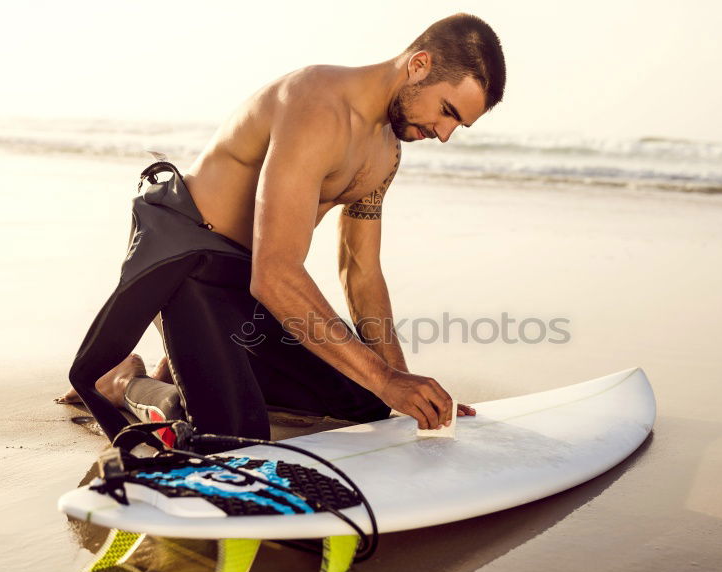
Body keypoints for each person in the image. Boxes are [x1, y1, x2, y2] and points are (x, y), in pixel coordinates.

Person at [57, 14, 505, 442]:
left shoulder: (386, 151)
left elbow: (361, 272)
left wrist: (401, 386)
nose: (445, 133)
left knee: (368, 400)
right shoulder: (316, 104)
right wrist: (386, 379)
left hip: (252, 291)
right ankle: (126, 381)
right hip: (191, 269)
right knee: (229, 437)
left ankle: (200, 363)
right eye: (447, 111)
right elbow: (275, 274)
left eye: (458, 125)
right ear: (419, 65)